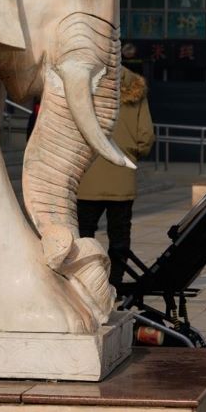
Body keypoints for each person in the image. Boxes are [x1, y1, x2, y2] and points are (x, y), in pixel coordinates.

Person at [77, 66, 155, 288]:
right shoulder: (135, 88)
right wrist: (132, 152)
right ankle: (115, 284)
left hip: (88, 174)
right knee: (119, 236)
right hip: (122, 172)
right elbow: (145, 135)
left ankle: (84, 280)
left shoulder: (86, 83)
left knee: (84, 233)